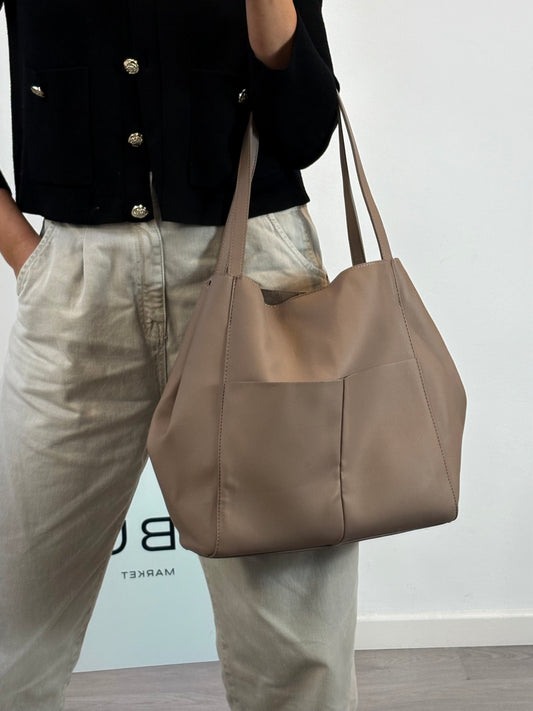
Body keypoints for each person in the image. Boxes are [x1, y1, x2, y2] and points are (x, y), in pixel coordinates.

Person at [0, 1, 360, 709]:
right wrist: (26, 255)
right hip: (77, 281)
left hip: (256, 269)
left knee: (296, 656)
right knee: (11, 625)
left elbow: (302, 129)